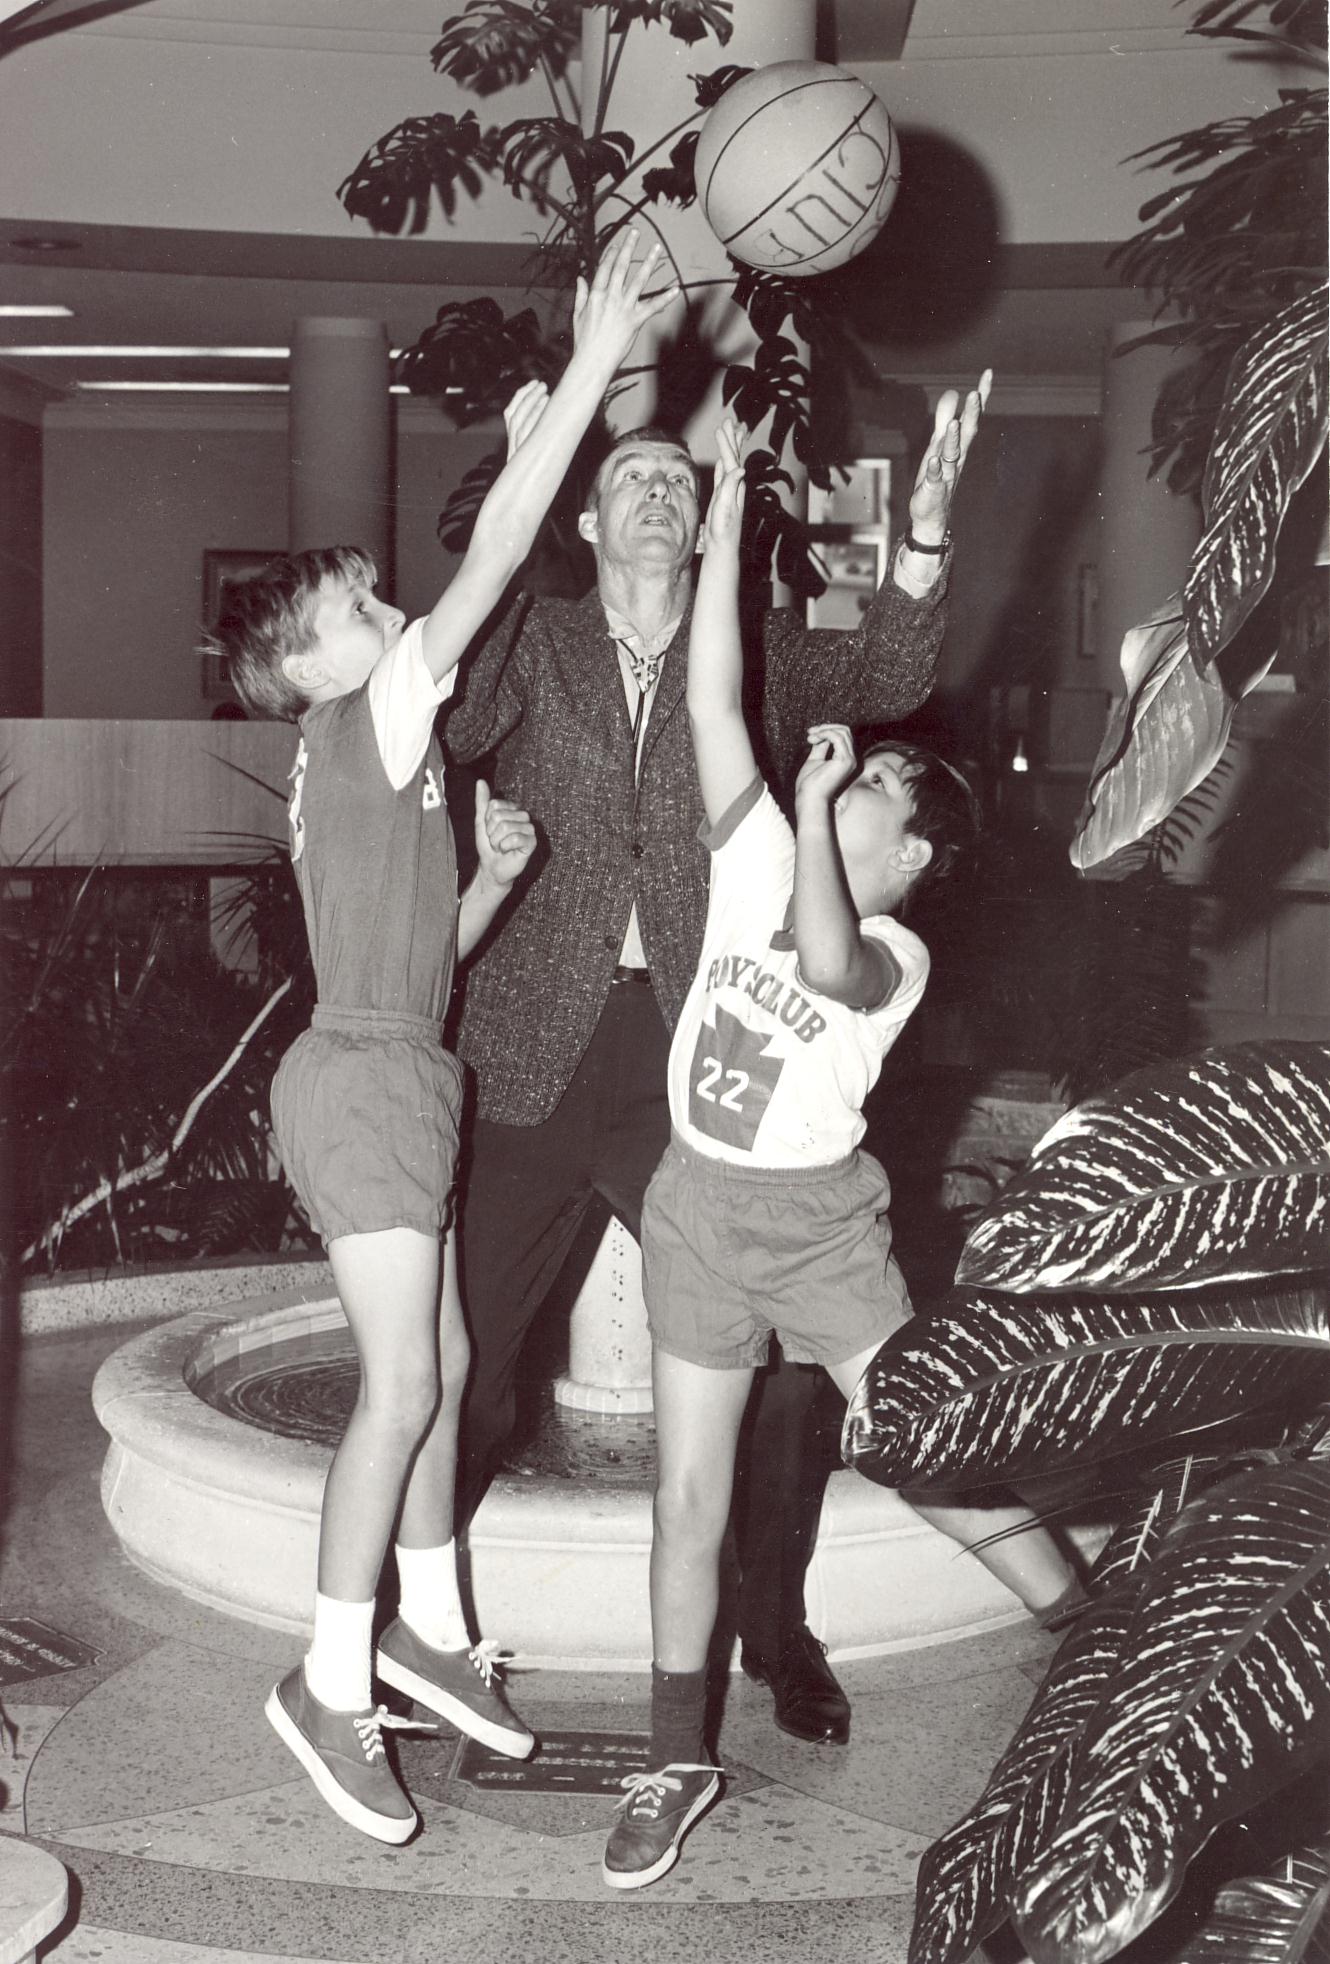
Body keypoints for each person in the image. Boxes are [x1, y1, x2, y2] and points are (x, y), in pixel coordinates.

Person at [203, 232, 678, 1844]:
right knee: (400, 1387)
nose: (383, 602)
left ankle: (430, 1634)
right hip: (364, 1082)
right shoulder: (371, 713)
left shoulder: (355, 768)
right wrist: (592, 364)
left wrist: (471, 889)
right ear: (303, 663)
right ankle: (329, 1684)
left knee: (454, 1360)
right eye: (352, 603)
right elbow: (491, 574)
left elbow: (402, 964)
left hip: (392, 1053)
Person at [446, 365, 992, 1750]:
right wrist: (506, 513)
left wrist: (919, 532)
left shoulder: (748, 657)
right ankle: (420, 1629)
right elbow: (448, 720)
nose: (651, 495)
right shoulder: (535, 638)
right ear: (585, 517)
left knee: (781, 1373)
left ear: (701, 525)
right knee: (475, 1361)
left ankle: (777, 1628)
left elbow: (895, 672)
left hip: (694, 1061)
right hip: (532, 1042)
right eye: (627, 478)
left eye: (676, 486)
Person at [600, 420, 1080, 1891]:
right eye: (849, 777)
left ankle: (1097, 1634)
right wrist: (729, 521)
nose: (848, 773)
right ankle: (674, 1755)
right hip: (693, 1204)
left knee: (930, 1452)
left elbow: (817, 955)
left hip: (815, 1229)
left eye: (873, 788)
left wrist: (813, 812)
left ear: (915, 850)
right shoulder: (755, 847)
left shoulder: (889, 949)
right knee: (684, 1500)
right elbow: (705, 707)